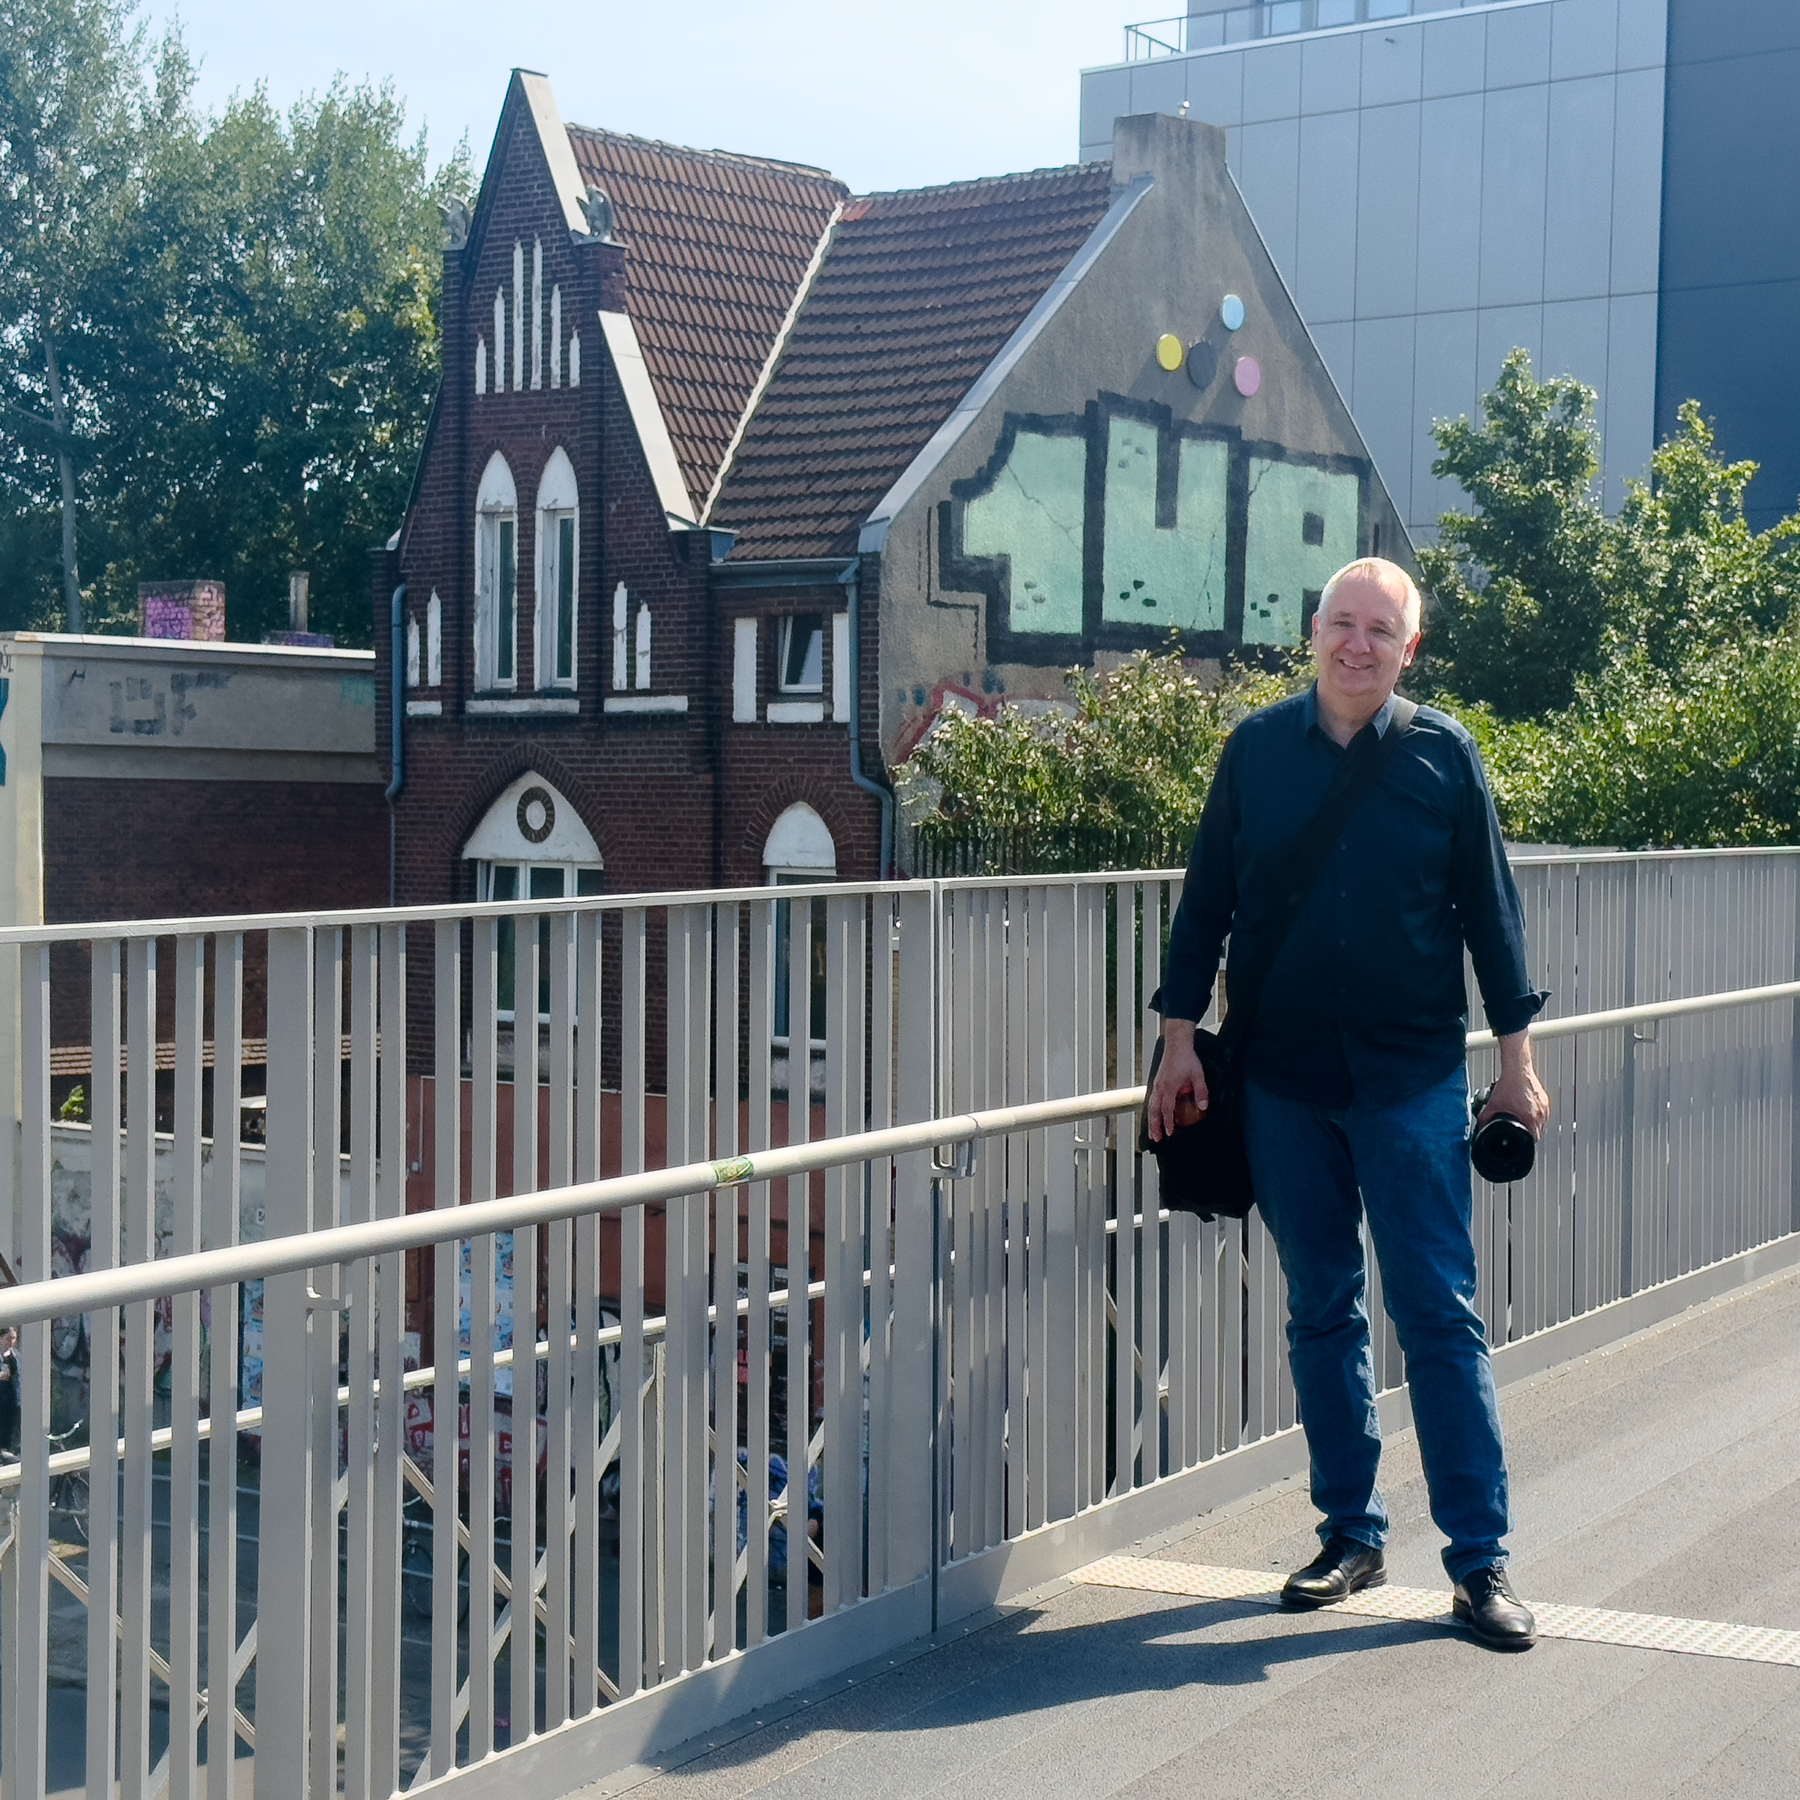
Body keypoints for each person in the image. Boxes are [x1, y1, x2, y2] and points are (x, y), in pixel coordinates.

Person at [1148, 557, 1550, 1651]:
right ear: (1312, 631)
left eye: (1382, 629)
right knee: (1322, 1309)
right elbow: (1205, 908)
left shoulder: (1443, 755)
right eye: (1342, 623)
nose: (1358, 644)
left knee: (1439, 1317)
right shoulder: (1253, 752)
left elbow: (1493, 918)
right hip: (1282, 1084)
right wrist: (1178, 1043)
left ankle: (1479, 1565)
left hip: (1412, 1082)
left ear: (1408, 649)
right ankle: (1351, 1537)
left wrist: (1515, 1061)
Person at [0, 1326, 19, 1460]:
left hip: (10, 1393)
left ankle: (6, 1448)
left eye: (13, 1339)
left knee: (9, 1422)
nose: (10, 1342)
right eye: (7, 1338)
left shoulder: (15, 1356)